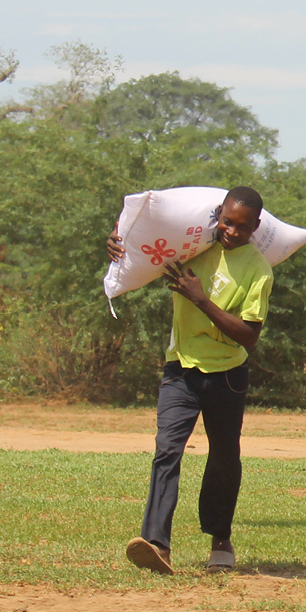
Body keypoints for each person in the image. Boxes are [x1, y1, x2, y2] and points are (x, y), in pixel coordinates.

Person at [108, 187, 274, 575]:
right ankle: (156, 543)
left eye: (243, 226)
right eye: (227, 222)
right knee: (167, 449)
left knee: (223, 457)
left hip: (228, 374)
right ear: (218, 215)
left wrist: (201, 299)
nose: (232, 231)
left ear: (257, 227)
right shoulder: (190, 247)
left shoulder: (257, 269)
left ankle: (220, 538)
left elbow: (249, 336)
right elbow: (146, 246)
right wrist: (119, 242)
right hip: (180, 368)